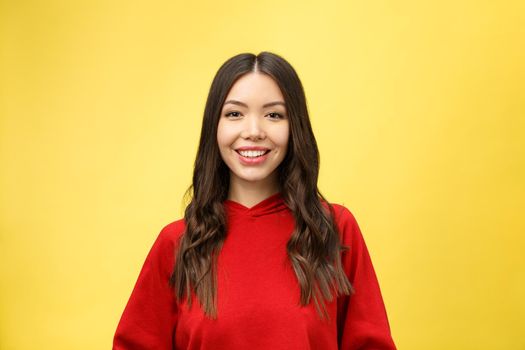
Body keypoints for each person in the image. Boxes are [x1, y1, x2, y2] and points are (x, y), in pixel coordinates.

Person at [113, 51, 396, 349]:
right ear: (215, 126)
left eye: (274, 115)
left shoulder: (334, 229)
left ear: (294, 127)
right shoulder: (177, 243)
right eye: (235, 113)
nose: (253, 132)